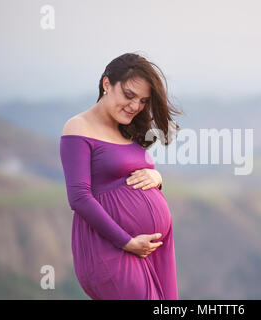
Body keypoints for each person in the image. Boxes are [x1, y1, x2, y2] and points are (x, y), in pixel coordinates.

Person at [59, 52, 183, 299]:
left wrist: (157, 179)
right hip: (112, 249)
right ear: (107, 84)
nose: (135, 106)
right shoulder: (78, 127)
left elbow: (144, 173)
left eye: (143, 101)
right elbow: (79, 197)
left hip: (151, 248)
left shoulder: (128, 128)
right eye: (129, 95)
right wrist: (126, 242)